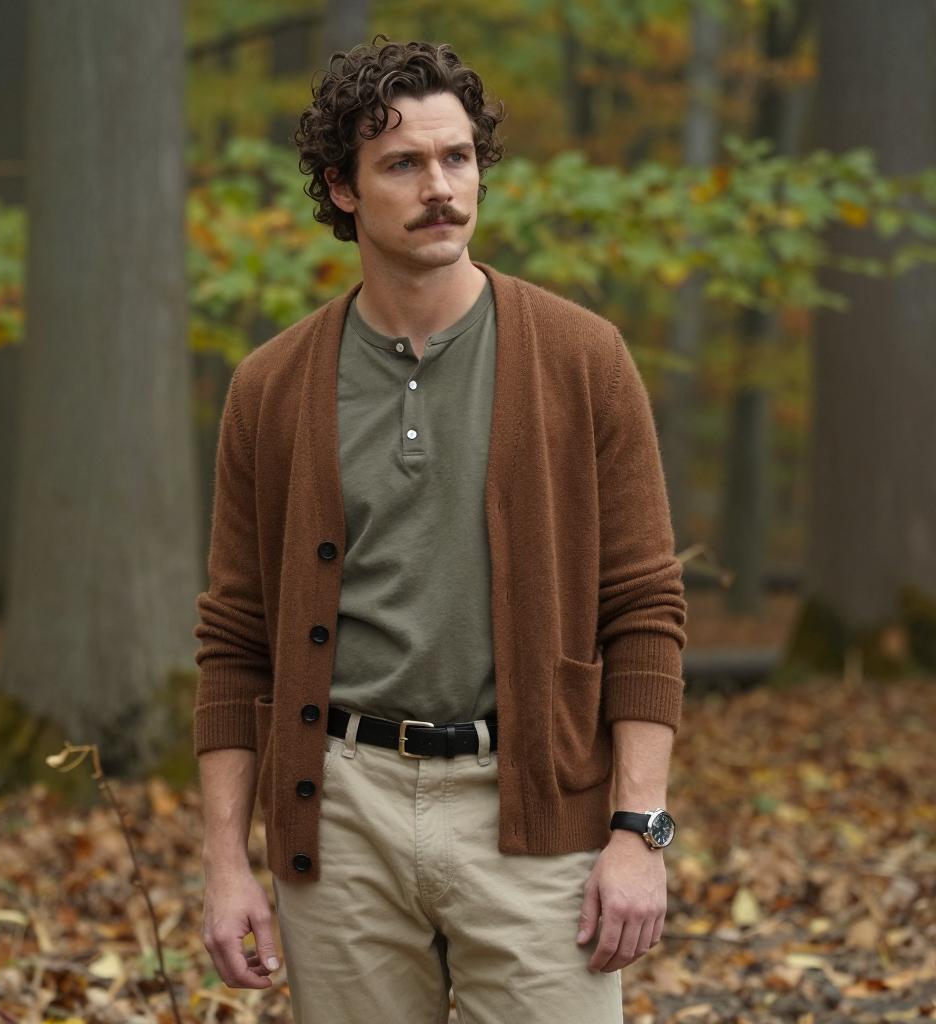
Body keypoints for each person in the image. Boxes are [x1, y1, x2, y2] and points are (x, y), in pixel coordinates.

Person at [193, 35, 687, 1024]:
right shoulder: (272, 387)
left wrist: (637, 831)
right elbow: (235, 639)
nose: (440, 187)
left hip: (536, 807)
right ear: (341, 189)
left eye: (456, 158)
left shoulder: (584, 358)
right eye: (403, 164)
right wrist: (224, 865)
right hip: (338, 815)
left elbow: (643, 607)